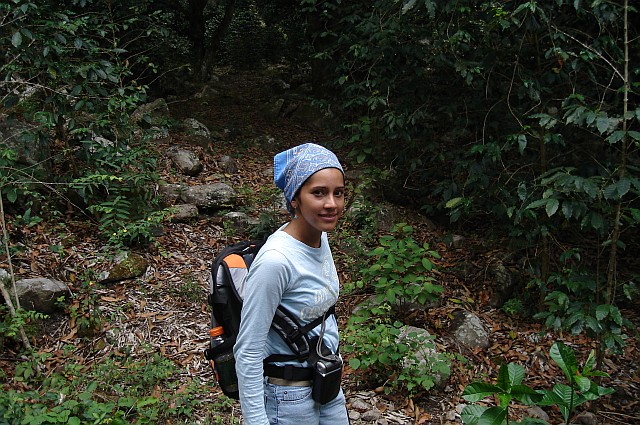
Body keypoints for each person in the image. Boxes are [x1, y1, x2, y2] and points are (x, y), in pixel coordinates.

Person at [234, 142, 350, 425]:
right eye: (318, 193)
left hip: (326, 382)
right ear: (295, 198)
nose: (331, 204)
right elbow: (248, 351)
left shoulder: (320, 236)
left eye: (339, 193)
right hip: (288, 399)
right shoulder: (276, 261)